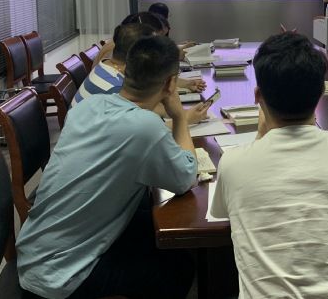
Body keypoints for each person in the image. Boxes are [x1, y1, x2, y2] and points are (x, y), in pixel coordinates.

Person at [211, 32, 328, 298]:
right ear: (321, 92)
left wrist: (261, 137)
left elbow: (225, 213)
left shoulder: (232, 164)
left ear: (258, 96)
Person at [17, 35, 197, 299]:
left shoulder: (90, 105)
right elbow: (186, 178)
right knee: (179, 267)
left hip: (35, 251)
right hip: (61, 277)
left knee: (152, 222)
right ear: (171, 84)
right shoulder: (145, 127)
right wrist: (180, 116)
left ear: (124, 70)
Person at [76, 22, 209, 123]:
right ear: (139, 54)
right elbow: (146, 130)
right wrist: (185, 118)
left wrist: (184, 85)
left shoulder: (108, 66)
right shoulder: (116, 89)